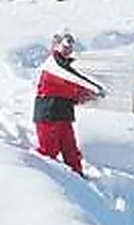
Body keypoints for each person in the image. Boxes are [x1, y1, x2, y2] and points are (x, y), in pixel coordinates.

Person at [33, 32, 105, 175]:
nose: (68, 50)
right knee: (48, 153)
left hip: (63, 114)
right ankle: (42, 182)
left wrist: (84, 96)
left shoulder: (65, 67)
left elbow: (68, 90)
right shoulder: (53, 65)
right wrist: (95, 89)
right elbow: (74, 81)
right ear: (56, 46)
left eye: (70, 47)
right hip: (48, 115)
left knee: (70, 150)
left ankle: (78, 181)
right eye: (65, 46)